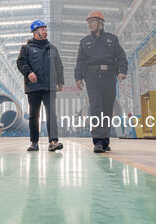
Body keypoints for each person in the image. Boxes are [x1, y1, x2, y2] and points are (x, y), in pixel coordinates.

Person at [74, 11, 128, 153]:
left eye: (92, 21)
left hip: (109, 76)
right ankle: (98, 141)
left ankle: (105, 141)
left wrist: (122, 70)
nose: (89, 24)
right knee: (96, 108)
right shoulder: (85, 42)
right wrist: (78, 77)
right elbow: (80, 61)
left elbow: (121, 57)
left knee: (107, 109)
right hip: (91, 77)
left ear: (100, 22)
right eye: (88, 22)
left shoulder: (112, 39)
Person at [17, 20, 64, 152]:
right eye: (42, 29)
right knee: (34, 115)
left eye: (46, 29)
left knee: (52, 114)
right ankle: (34, 142)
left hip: (50, 87)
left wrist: (60, 81)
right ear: (35, 32)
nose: (45, 32)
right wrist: (29, 72)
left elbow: (59, 66)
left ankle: (53, 141)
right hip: (33, 86)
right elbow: (21, 62)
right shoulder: (26, 48)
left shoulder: (52, 48)